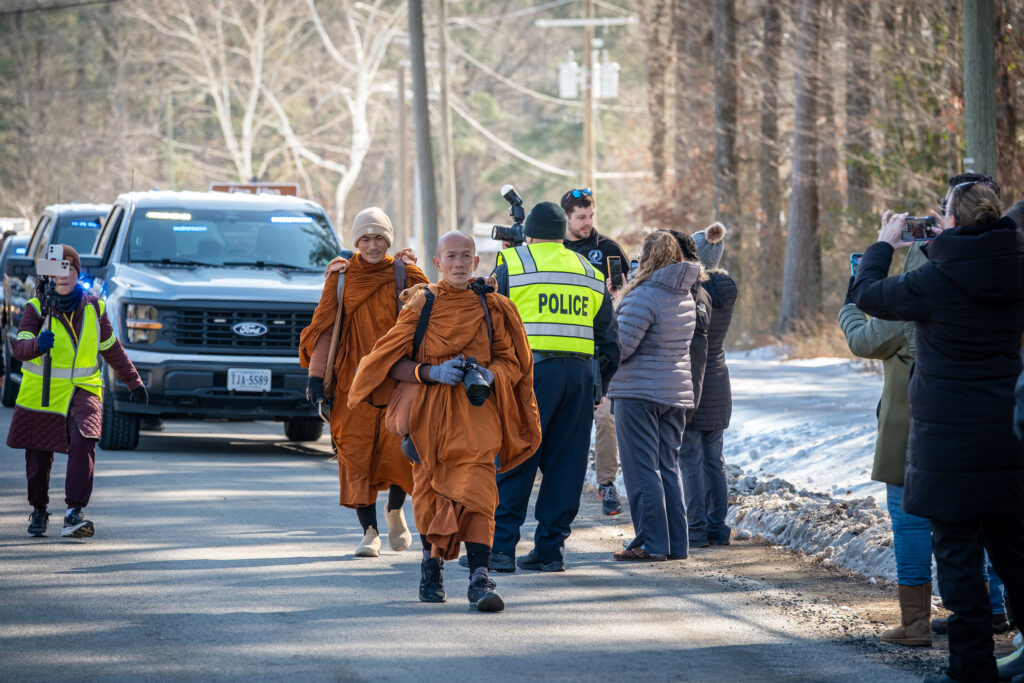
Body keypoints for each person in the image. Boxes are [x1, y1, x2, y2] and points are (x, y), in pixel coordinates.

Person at [851, 182, 1024, 683]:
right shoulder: (1014, 267)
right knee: (1014, 552)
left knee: (958, 559)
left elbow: (866, 295)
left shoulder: (934, 279)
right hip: (1006, 437)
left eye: (943, 212)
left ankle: (971, 668)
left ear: (949, 221)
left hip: (948, 445)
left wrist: (886, 244)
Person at [348, 230, 541, 612]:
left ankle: (479, 578)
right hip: (428, 419)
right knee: (430, 494)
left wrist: (489, 375)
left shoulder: (494, 307)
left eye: (465, 256)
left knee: (481, 495)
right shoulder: (422, 304)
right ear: (437, 264)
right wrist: (430, 374)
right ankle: (431, 565)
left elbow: (513, 361)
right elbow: (386, 361)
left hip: (477, 418)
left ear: (476, 262)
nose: (457, 263)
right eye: (450, 257)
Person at [490, 201, 620, 572]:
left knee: (517, 456)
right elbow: (610, 340)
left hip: (529, 377)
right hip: (579, 379)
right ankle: (550, 550)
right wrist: (600, 386)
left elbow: (489, 325)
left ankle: (500, 551)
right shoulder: (589, 270)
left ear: (528, 234)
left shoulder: (513, 266)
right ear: (562, 234)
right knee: (567, 464)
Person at [299, 208, 428, 558]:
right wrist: (315, 377)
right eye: (366, 239)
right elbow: (326, 332)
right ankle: (369, 532)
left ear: (389, 239)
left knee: (398, 451)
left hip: (395, 381)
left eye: (380, 238)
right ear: (356, 241)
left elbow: (429, 327)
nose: (373, 245)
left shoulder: (407, 273)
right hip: (350, 386)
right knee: (355, 455)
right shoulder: (341, 278)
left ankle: (395, 511)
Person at [7, 244, 147, 538]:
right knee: (38, 458)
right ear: (49, 277)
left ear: (77, 272)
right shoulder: (35, 309)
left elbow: (111, 348)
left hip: (83, 391)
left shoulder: (95, 308)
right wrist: (37, 346)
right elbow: (19, 349)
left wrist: (133, 381)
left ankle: (74, 513)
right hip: (42, 396)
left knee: (84, 443)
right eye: (59, 269)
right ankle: (39, 509)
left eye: (70, 268)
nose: (65, 274)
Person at [840, 239, 931, 646]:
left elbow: (863, 340)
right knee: (979, 522)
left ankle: (916, 623)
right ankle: (994, 610)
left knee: (909, 518)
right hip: (986, 423)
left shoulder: (910, 305)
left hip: (912, 426)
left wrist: (850, 301)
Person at [608, 231, 701, 561]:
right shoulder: (684, 296)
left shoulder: (643, 296)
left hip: (638, 393)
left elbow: (623, 347)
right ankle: (676, 544)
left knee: (641, 468)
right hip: (674, 393)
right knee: (667, 468)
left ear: (647, 257)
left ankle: (651, 543)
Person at [560, 187, 630, 516]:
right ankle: (555, 483)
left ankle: (606, 484)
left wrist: (617, 292)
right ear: (567, 218)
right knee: (566, 419)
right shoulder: (553, 249)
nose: (587, 223)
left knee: (605, 416)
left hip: (599, 345)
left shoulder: (609, 248)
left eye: (591, 216)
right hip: (563, 345)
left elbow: (628, 292)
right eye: (581, 218)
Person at [675, 223, 737, 550]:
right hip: (720, 378)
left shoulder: (693, 292)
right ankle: (718, 528)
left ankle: (695, 530)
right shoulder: (728, 288)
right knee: (715, 459)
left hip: (695, 378)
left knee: (689, 457)